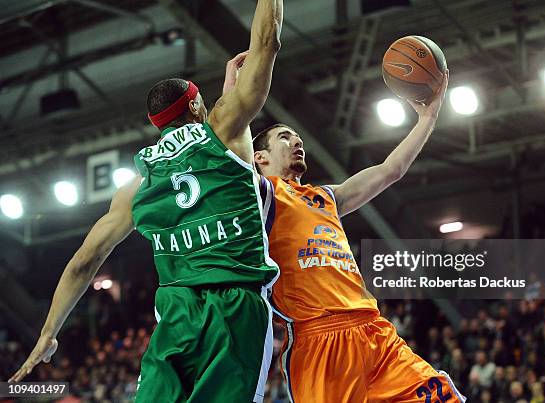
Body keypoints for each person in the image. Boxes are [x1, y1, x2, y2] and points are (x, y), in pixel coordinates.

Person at [9, 1, 283, 402]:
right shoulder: (224, 129)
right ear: (195, 106)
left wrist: (49, 332)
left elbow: (84, 261)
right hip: (236, 305)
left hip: (176, 315)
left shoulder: (137, 186)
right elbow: (268, 42)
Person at [247, 68, 464, 401]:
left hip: (373, 329)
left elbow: (391, 170)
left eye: (297, 136)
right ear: (259, 157)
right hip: (319, 340)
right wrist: (236, 89)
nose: (297, 141)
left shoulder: (326, 198)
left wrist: (428, 117)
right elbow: (231, 144)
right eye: (284, 137)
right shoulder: (261, 194)